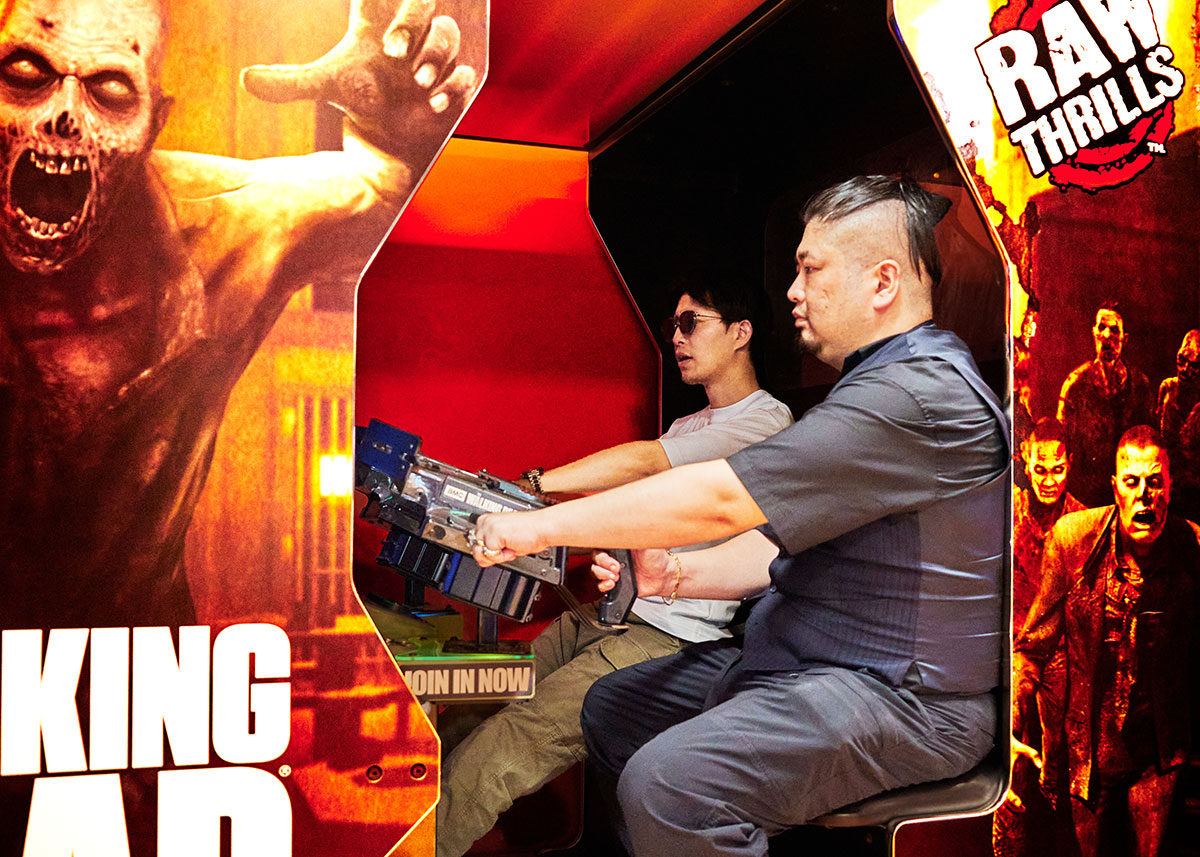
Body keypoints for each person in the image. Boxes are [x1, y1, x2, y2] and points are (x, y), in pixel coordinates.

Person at [468, 175, 1008, 857]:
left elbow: (720, 497)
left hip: (900, 698)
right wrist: (671, 575)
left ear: (882, 283)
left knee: (670, 786)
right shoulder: (877, 385)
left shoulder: (917, 394)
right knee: (611, 707)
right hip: (806, 667)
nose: (793, 290)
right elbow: (774, 548)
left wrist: (535, 525)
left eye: (811, 269)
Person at [0, 0, 480, 631]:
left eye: (110, 89)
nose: (63, 115)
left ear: (154, 123)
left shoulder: (230, 222)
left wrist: (395, 129)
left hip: (149, 670)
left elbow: (379, 189)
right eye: (25, 74)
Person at [436, 281, 793, 857]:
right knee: (471, 704)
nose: (676, 338)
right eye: (672, 327)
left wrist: (535, 490)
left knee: (500, 749)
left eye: (690, 323)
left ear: (740, 332)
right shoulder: (689, 426)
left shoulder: (767, 422)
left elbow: (645, 463)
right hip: (610, 612)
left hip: (667, 634)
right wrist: (553, 528)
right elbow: (635, 511)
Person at [1015, 426, 1200, 857]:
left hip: (1157, 756)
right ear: (1115, 488)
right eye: (1132, 482)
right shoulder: (1073, 541)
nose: (1144, 496)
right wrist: (1008, 724)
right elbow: (1031, 649)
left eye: (1154, 482)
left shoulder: (1192, 546)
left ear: (1170, 487)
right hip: (1090, 757)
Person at [994, 417, 1083, 857]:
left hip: (1061, 654)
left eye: (1057, 469)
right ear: (1026, 463)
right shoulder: (1007, 512)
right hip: (1010, 651)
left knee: (1057, 765)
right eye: (1040, 469)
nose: (1048, 480)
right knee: (1008, 762)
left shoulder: (1082, 523)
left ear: (1070, 465)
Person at [1057, 303, 1151, 507]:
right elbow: (1061, 447)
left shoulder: (1140, 385)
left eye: (1114, 330)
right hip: (1085, 500)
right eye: (1102, 328)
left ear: (1124, 338)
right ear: (1094, 333)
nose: (1107, 336)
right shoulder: (1075, 386)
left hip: (1129, 495)